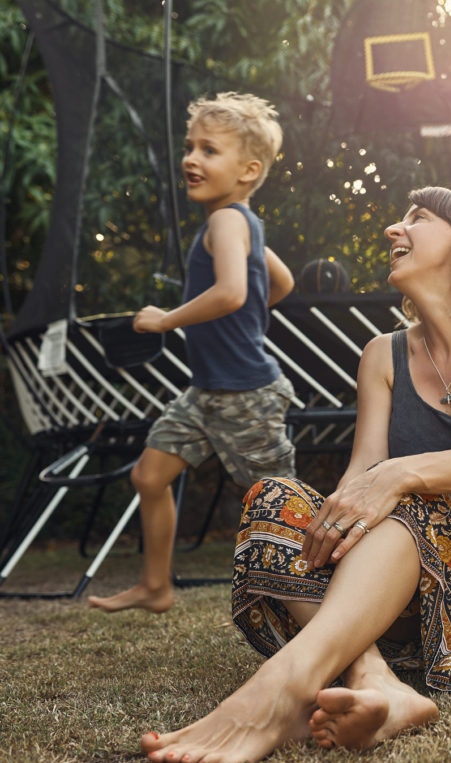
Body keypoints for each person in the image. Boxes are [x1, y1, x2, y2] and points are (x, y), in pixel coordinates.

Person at [140, 186, 451, 763]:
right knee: (274, 500)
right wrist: (315, 524)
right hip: (405, 588)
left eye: (418, 219)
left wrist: (400, 476)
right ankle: (375, 677)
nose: (393, 231)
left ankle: (280, 690)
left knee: (413, 497)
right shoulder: (382, 354)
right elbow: (360, 478)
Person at [88, 92, 296, 613]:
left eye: (209, 150)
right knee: (149, 476)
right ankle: (156, 587)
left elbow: (231, 292)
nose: (191, 159)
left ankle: (334, 598)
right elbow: (282, 283)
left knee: (282, 505)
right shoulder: (246, 223)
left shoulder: (226, 222)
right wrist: (246, 317)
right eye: (190, 147)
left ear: (248, 170)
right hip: (207, 392)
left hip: (246, 394)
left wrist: (166, 319)